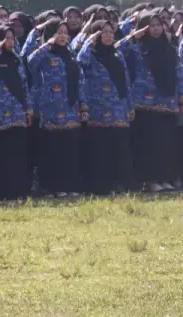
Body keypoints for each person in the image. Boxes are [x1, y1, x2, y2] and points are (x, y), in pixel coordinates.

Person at [120, 11, 182, 191]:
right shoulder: (136, 48)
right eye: (151, 26)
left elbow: (179, 72)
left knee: (166, 143)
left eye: (158, 25)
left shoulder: (169, 48)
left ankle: (165, 177)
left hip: (168, 102)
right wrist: (132, 36)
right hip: (144, 104)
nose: (156, 29)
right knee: (148, 143)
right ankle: (149, 180)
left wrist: (181, 96)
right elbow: (116, 49)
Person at [27, 18, 83, 197]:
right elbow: (30, 61)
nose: (63, 36)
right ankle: (51, 187)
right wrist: (46, 44)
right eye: (59, 32)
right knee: (52, 149)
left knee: (70, 149)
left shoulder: (71, 53)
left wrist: (83, 106)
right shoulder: (44, 53)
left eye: (65, 32)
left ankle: (69, 186)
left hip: (70, 107)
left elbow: (80, 80)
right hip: (50, 107)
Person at [77, 21, 134, 194]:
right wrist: (90, 40)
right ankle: (101, 187)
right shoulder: (91, 55)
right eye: (104, 32)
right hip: (99, 110)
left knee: (120, 149)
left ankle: (122, 184)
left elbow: (125, 81)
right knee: (101, 151)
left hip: (119, 109)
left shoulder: (117, 54)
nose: (109, 35)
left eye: (111, 32)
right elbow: (80, 59)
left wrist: (129, 106)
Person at [0, 24, 31, 200]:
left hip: (16, 110)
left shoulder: (16, 58)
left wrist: (28, 108)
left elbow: (24, 84)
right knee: (0, 153)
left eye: (11, 38)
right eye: (5, 38)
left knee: (16, 152)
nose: (9, 41)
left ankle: (18, 190)